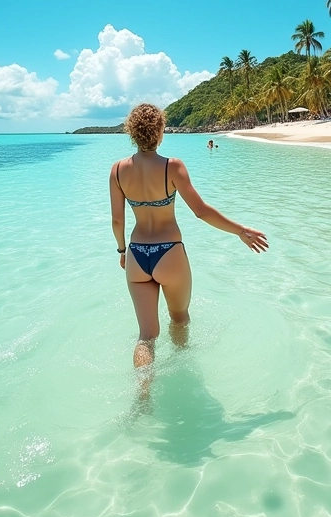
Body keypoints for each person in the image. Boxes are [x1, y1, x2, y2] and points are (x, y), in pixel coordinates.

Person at [110, 104, 268, 368]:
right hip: (169, 252)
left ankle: (143, 392)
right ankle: (183, 370)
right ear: (160, 131)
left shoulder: (117, 170)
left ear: (132, 132)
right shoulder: (172, 167)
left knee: (146, 337)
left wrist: (122, 251)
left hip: (137, 255)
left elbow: (117, 220)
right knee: (180, 318)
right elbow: (201, 211)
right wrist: (240, 230)